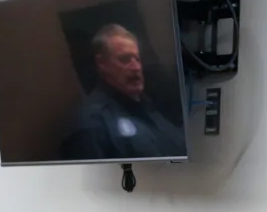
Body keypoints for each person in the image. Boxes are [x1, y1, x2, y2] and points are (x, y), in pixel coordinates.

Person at [61, 23, 186, 161]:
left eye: (137, 59)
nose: (136, 67)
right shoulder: (91, 124)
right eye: (125, 59)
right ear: (102, 64)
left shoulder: (149, 106)